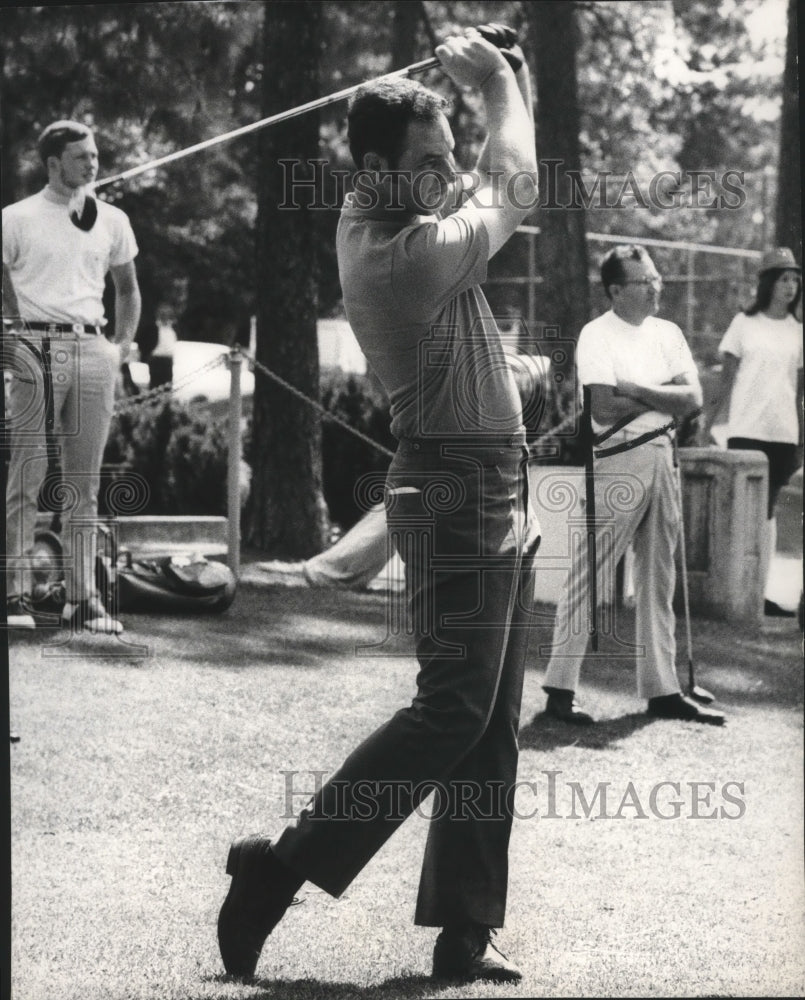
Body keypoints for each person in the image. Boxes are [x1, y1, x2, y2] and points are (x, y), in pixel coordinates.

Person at [217, 30, 541, 984]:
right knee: (450, 711)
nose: (448, 175)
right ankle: (277, 868)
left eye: (449, 159)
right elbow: (516, 179)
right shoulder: (404, 256)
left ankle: (466, 926)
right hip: (455, 484)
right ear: (370, 169)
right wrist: (500, 77)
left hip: (492, 478)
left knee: (488, 721)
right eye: (428, 163)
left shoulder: (391, 211)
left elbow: (492, 162)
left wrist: (474, 97)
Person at [537, 244, 725, 727]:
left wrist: (638, 390)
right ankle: (559, 689)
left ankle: (662, 689)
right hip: (617, 460)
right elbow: (602, 408)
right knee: (591, 572)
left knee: (659, 577)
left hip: (664, 456)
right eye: (646, 282)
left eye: (657, 279)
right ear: (616, 290)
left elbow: (694, 399)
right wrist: (665, 400)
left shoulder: (668, 332)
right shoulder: (596, 335)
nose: (656, 287)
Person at [3, 120, 141, 633]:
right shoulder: (14, 219)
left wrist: (119, 349)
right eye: (81, 156)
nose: (92, 163)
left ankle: (81, 599)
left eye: (95, 154)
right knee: (28, 474)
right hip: (33, 347)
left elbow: (127, 290)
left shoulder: (112, 219)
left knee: (84, 486)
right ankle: (15, 595)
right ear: (53, 163)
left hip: (92, 349)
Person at [702, 247, 803, 617]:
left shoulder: (799, 332)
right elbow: (725, 381)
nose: (790, 286)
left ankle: (760, 592)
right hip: (747, 428)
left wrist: (801, 438)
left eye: (795, 279)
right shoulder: (743, 324)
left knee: (769, 512)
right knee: (744, 513)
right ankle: (734, 590)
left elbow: (800, 392)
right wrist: (707, 425)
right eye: (783, 278)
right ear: (767, 283)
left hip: (783, 434)